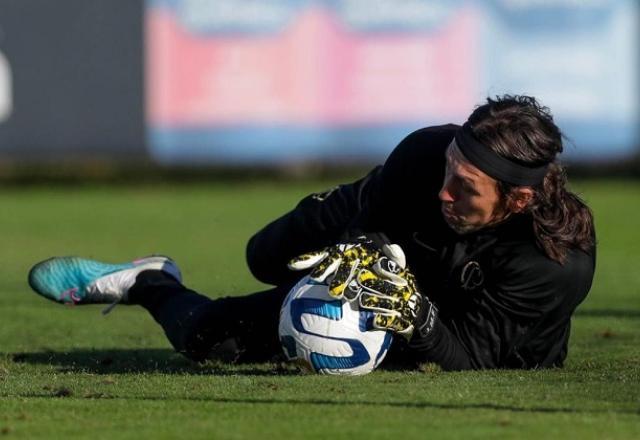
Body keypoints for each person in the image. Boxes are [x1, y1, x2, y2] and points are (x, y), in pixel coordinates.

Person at [28, 95, 596, 371]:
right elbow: (368, 233)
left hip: (463, 334)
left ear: (518, 198)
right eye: (448, 168)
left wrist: (417, 316)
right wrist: (360, 251)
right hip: (382, 235)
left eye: (466, 187)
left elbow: (468, 355)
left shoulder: (556, 261)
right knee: (264, 255)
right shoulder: (424, 155)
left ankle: (150, 282)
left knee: (208, 339)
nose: (444, 189)